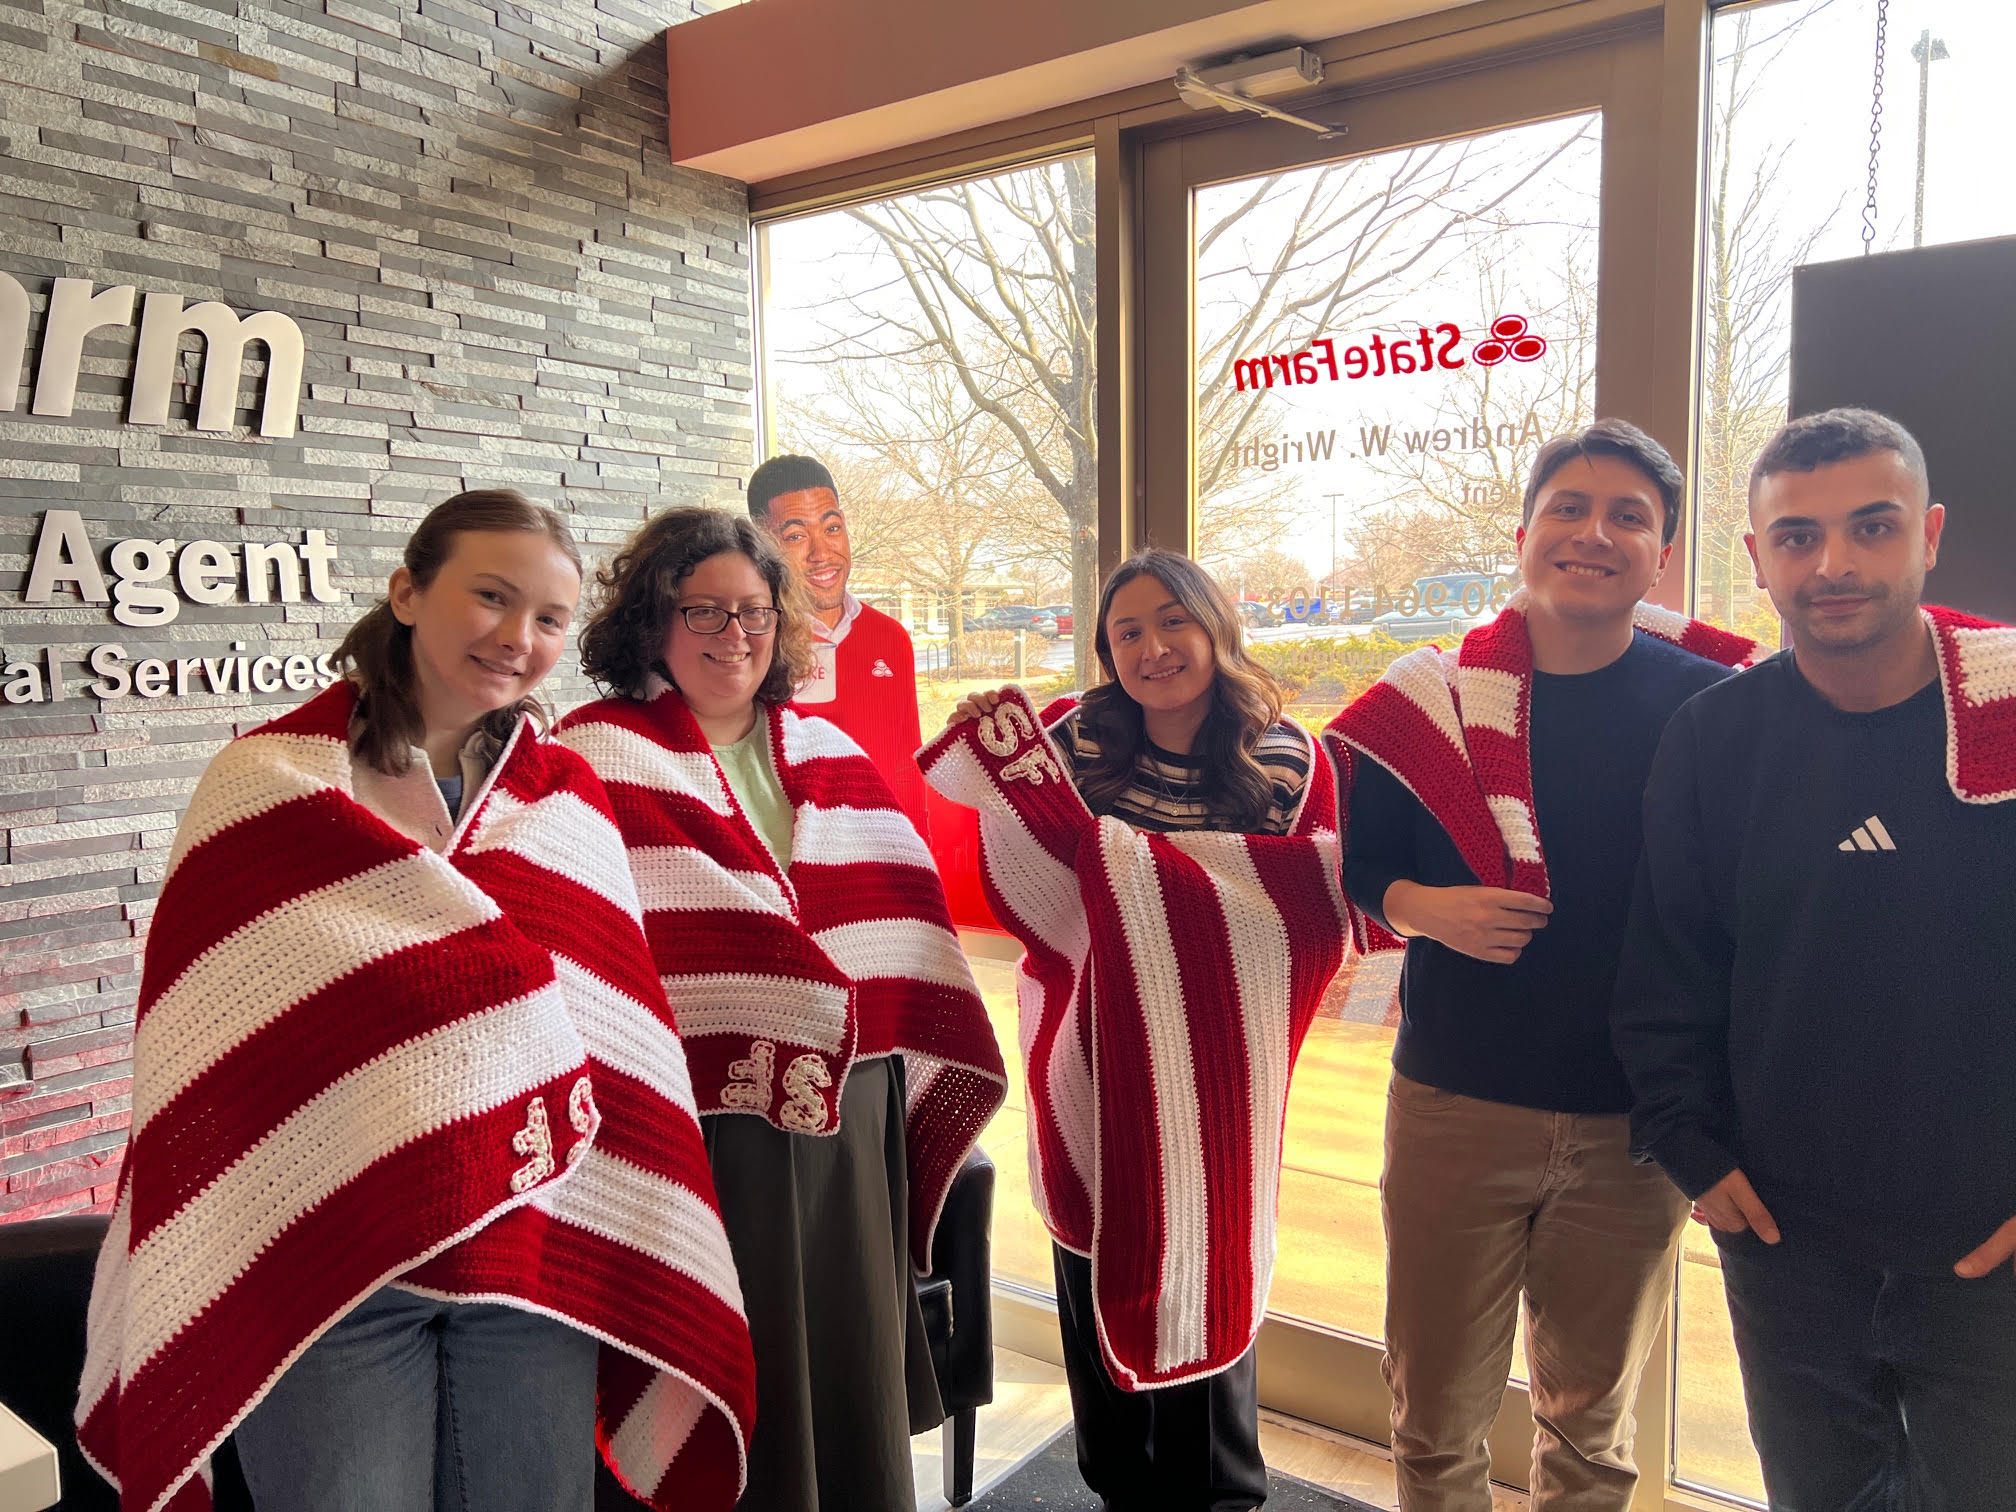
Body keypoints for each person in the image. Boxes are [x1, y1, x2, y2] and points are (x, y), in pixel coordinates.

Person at [76, 490, 754, 1512]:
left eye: (549, 618)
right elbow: (205, 1045)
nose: (517, 637)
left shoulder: (565, 798)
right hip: (336, 1270)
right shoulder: (266, 786)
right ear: (406, 592)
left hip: (536, 1258)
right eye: (491, 596)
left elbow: (616, 1031)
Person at [1328, 420, 1757, 1511]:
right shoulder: (1428, 700)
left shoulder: (1714, 706)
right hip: (1455, 1108)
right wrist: (1424, 909)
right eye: (1568, 507)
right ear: (1522, 534)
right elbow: (1355, 864)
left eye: (1627, 517)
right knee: (1434, 1422)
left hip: (1635, 1127)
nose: (1592, 533)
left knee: (1591, 1429)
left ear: (1661, 555)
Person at [555, 506, 1007, 1512]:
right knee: (726, 1357)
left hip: (851, 1120)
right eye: (703, 610)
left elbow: (899, 925)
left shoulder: (829, 750)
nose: (735, 634)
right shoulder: (592, 756)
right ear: (652, 620)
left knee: (843, 1372)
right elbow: (575, 939)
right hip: (696, 1124)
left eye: (755, 611)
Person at [1613, 407, 2016, 1512]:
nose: (1834, 563)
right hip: (1786, 1246)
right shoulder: (1713, 737)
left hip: (1990, 1252)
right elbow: (1669, 967)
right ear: (1758, 557)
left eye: (1872, 527)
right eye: (1798, 536)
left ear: (1930, 533)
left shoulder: (2006, 712)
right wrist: (1691, 1149)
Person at [928, 548, 1347, 1512]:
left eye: (1173, 622)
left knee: (1205, 1252)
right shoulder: (1078, 742)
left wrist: (1136, 878)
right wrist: (992, 753)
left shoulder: (1285, 757)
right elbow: (1029, 863)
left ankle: (1218, 1492)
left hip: (1217, 1064)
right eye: (1127, 633)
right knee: (1091, 1240)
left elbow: (1299, 912)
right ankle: (1116, 1481)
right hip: (1082, 1043)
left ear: (1216, 628)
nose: (1153, 648)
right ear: (1106, 649)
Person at [747, 454, 932, 839]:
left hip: (886, 851)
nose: (821, 553)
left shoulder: (890, 637)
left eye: (832, 528)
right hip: (799, 856)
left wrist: (920, 853)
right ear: (761, 544)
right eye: (795, 536)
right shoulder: (752, 640)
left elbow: (907, 768)